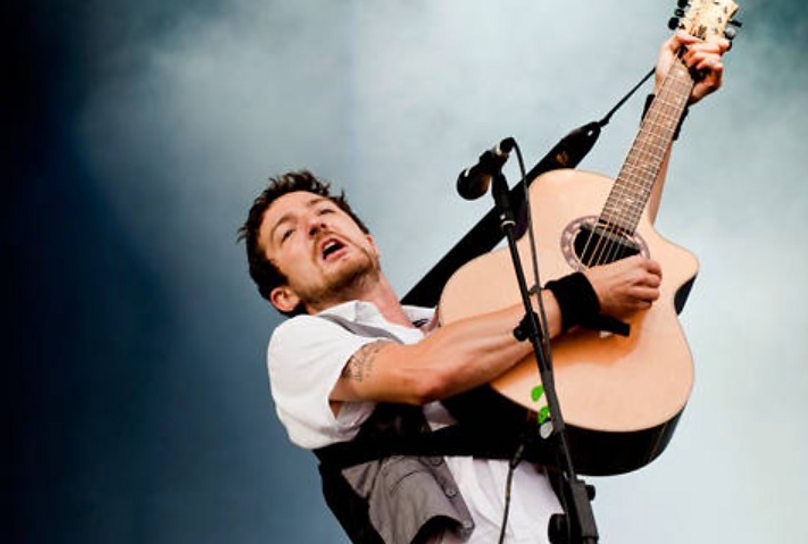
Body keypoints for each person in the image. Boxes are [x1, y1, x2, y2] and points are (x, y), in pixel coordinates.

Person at [240, 30, 729, 543]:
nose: (315, 224)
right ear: (283, 296)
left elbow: (619, 251)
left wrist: (667, 104)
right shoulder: (302, 346)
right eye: (288, 233)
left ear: (369, 240)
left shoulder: (477, 314)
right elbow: (423, 372)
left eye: (323, 211)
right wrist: (578, 296)